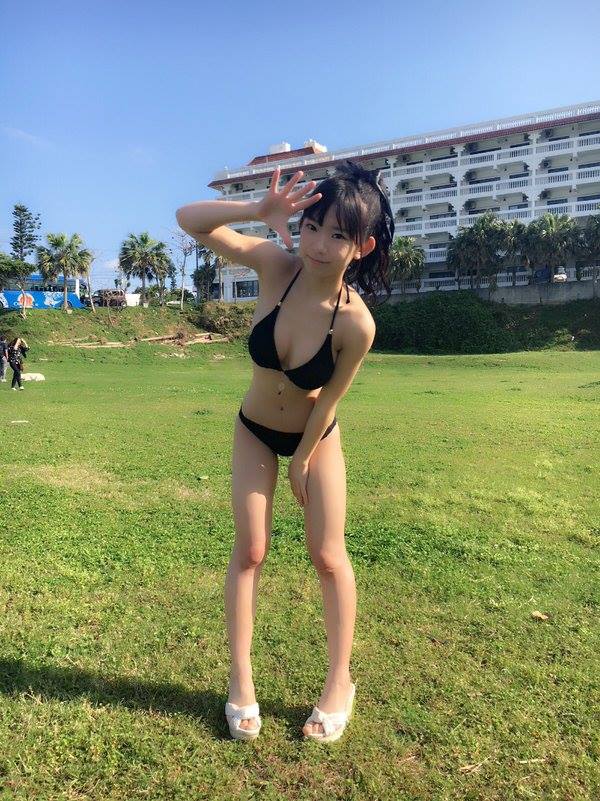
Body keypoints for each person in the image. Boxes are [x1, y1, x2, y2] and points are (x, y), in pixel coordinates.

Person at [176, 160, 393, 742]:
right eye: (312, 226)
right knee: (250, 550)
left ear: (363, 247)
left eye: (338, 234)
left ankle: (340, 682)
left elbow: (330, 401)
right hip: (254, 427)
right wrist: (256, 210)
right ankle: (240, 679)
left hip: (314, 436)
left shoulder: (357, 324)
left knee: (328, 555)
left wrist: (302, 458)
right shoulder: (276, 266)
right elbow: (189, 219)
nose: (319, 244)